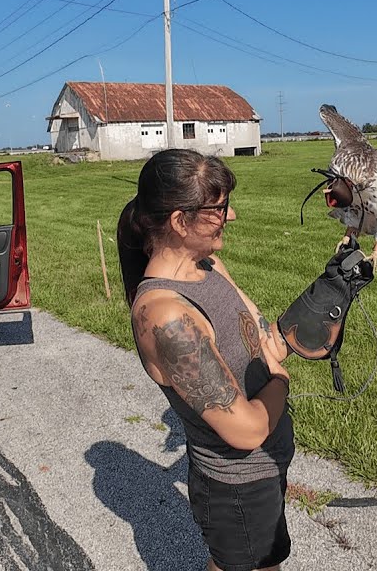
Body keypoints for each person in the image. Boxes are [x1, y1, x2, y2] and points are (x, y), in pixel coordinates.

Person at [117, 148, 295, 571]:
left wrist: (326, 297)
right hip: (238, 488)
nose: (230, 216)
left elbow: (263, 337)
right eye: (219, 209)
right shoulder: (166, 316)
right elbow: (246, 430)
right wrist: (281, 381)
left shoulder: (209, 266)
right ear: (180, 221)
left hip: (266, 468)